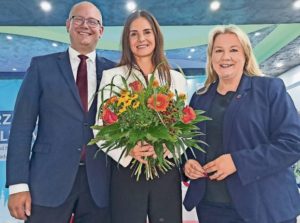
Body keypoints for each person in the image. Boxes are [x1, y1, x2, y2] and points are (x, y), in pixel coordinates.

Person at [6, 1, 115, 223]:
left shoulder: (114, 72)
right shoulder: (41, 67)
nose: (86, 25)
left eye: (93, 21)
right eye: (79, 19)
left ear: (101, 31)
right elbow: (21, 127)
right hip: (47, 181)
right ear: (68, 24)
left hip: (101, 185)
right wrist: (18, 185)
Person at [183, 24, 300, 223]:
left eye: (233, 50)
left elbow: (292, 144)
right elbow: (192, 145)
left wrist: (238, 162)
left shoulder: (269, 89)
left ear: (245, 55)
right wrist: (187, 164)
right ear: (211, 57)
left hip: (264, 208)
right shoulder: (200, 98)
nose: (225, 57)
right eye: (218, 50)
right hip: (212, 209)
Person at [95, 10, 186, 223]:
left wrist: (170, 147)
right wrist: (129, 151)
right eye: (133, 34)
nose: (141, 39)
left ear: (157, 36)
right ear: (127, 40)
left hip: (166, 170)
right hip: (127, 173)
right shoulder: (113, 77)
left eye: (147, 32)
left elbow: (185, 126)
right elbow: (100, 129)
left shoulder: (176, 79)